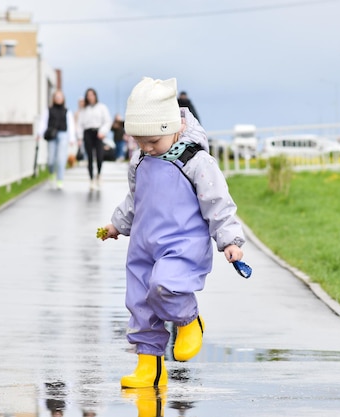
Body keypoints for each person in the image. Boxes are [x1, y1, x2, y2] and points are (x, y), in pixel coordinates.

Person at [99, 77, 246, 388]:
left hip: (181, 245)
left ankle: (189, 320)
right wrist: (117, 224)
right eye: (140, 142)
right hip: (143, 246)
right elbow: (135, 199)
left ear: (173, 128)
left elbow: (217, 200)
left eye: (153, 142)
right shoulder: (141, 160)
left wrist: (229, 239)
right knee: (140, 302)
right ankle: (148, 366)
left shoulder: (195, 160)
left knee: (166, 284)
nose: (148, 149)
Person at [38, 90, 76, 190]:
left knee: (61, 159)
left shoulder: (67, 111)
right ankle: (51, 174)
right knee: (50, 160)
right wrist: (39, 133)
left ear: (63, 99)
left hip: (63, 134)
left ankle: (60, 180)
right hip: (51, 135)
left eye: (60, 97)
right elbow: (43, 122)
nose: (58, 99)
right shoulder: (48, 110)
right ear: (54, 98)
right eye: (57, 97)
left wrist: (72, 138)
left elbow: (71, 125)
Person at [76, 88, 112, 190]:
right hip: (87, 133)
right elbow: (79, 124)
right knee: (90, 157)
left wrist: (103, 131)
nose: (90, 97)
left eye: (92, 95)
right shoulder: (84, 110)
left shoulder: (102, 107)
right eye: (88, 95)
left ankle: (99, 174)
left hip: (98, 133)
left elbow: (107, 121)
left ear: (95, 96)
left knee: (100, 156)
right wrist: (79, 137)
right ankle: (91, 179)